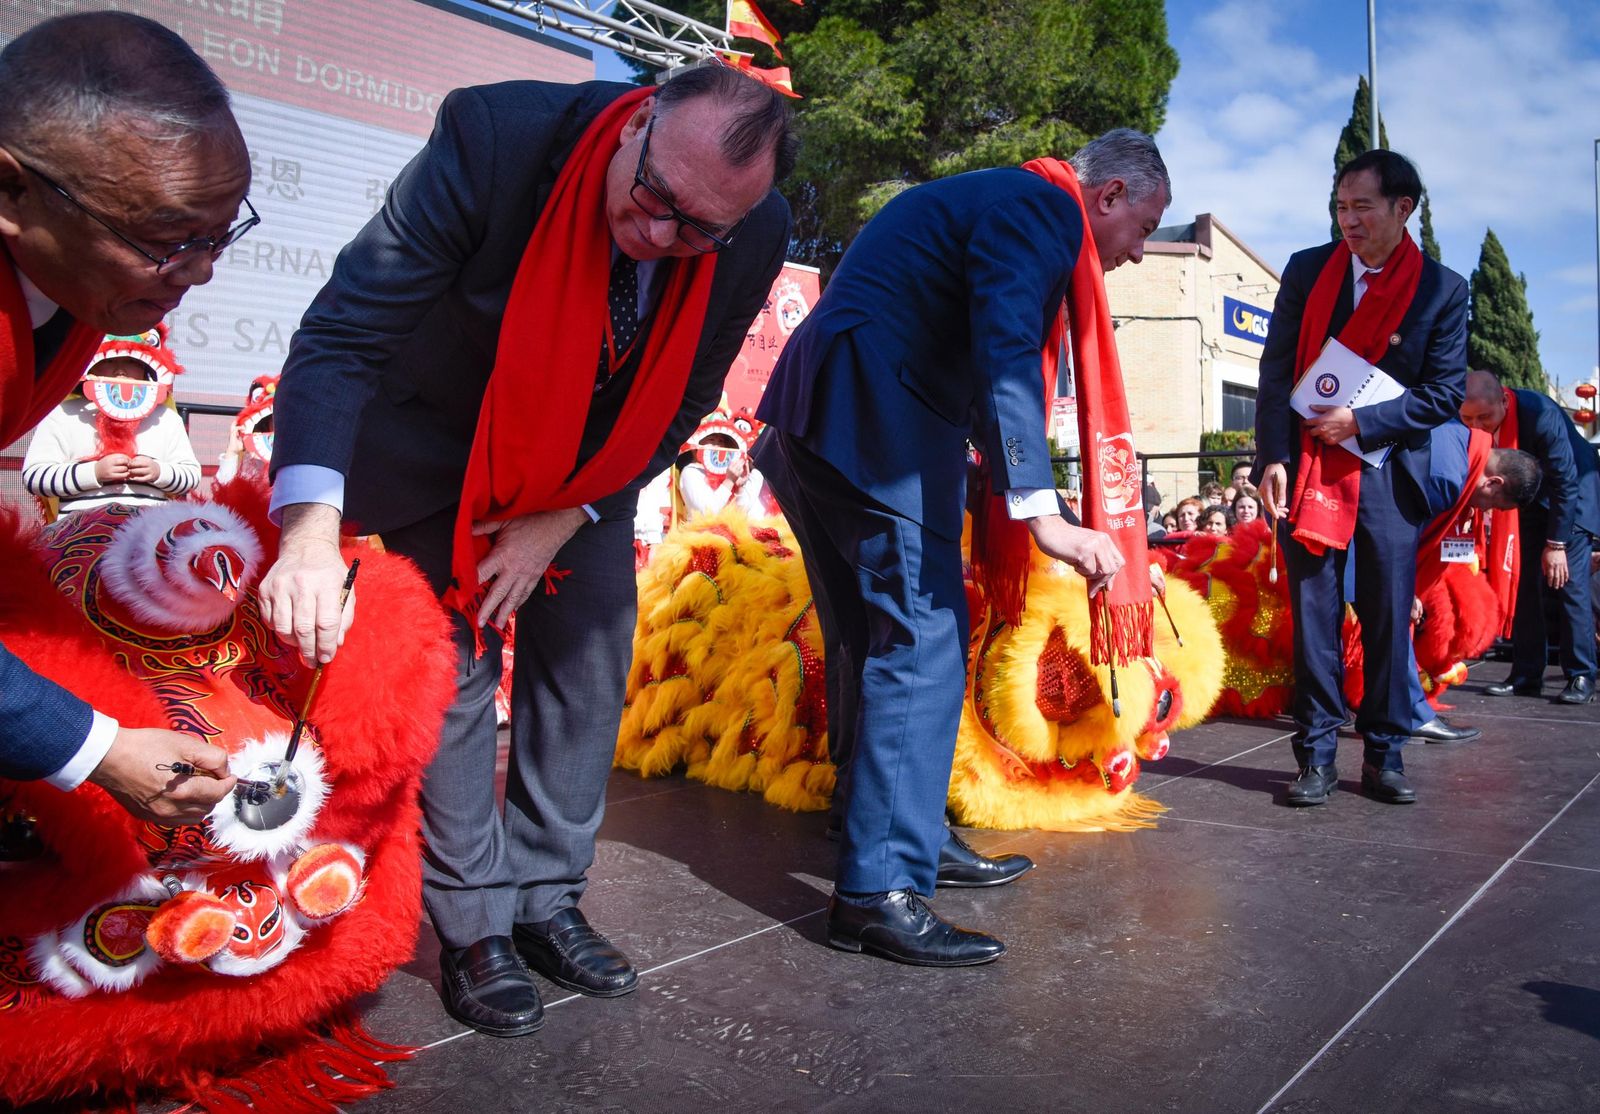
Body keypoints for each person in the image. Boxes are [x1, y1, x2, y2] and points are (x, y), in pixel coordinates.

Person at [261, 64, 795, 1037]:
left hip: (585, 467)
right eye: (656, 202)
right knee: (457, 670)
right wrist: (305, 529)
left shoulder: (753, 229)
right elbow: (342, 333)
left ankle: (548, 898)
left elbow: (685, 393)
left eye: (699, 232)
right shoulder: (495, 137)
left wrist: (570, 512)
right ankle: (474, 927)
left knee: (589, 663)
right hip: (442, 444)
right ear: (638, 120)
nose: (664, 239)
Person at [753, 128, 1169, 966]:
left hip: (823, 418)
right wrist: (1043, 514)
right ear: (1112, 195)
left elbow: (982, 362)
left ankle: (898, 832)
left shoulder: (995, 195)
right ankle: (878, 890)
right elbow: (1008, 355)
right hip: (878, 430)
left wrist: (1013, 489)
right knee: (922, 642)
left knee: (874, 640)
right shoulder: (1043, 210)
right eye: (1146, 227)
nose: (1138, 253)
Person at [0, 13, 251, 823]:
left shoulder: (80, 291)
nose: (203, 272)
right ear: (11, 189)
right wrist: (90, 748)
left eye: (220, 236)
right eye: (166, 237)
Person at [1255, 148, 1469, 808]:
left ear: (1403, 210)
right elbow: (1275, 369)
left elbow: (1444, 393)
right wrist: (1271, 458)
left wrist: (1362, 421)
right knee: (1314, 618)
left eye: (1363, 208)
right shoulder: (1307, 271)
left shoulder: (1442, 289)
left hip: (1385, 474)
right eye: (1340, 207)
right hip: (1308, 468)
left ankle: (1384, 756)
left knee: (1382, 621)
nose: (1348, 221)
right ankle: (1315, 756)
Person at [1459, 369, 1600, 704]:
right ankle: (1525, 674)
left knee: (1569, 584)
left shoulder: (1540, 415)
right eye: (1468, 418)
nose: (1477, 425)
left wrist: (1557, 544)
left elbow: (1566, 479)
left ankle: (1581, 675)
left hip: (1573, 499)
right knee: (1526, 586)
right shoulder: (1470, 421)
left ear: (1504, 402)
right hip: (1531, 502)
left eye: (1485, 416)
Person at [1404, 419, 1542, 742]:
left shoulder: (1463, 451)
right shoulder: (1447, 477)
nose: (1488, 511)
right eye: (1494, 504)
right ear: (1493, 482)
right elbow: (1397, 534)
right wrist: (1401, 588)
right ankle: (1409, 714)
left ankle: (1406, 711)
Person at [22, 329, 201, 515]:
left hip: (149, 534)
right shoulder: (62, 414)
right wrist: (94, 472)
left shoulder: (166, 418)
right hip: (79, 537)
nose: (120, 371)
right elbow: (35, 477)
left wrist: (159, 472)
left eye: (132, 362)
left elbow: (191, 476)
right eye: (108, 361)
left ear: (146, 369)